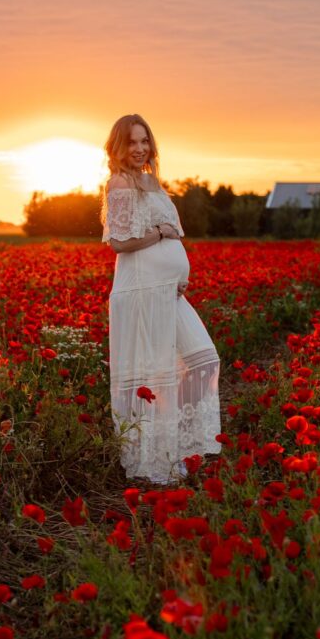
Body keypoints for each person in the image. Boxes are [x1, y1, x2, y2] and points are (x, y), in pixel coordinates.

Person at [100, 113, 221, 486]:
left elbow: (174, 235)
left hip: (166, 293)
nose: (139, 149)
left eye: (144, 141)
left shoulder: (152, 181)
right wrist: (158, 233)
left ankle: (173, 448)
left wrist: (177, 274)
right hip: (140, 293)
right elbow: (119, 242)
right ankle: (157, 463)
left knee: (203, 358)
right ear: (118, 147)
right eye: (132, 142)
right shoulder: (119, 183)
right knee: (155, 377)